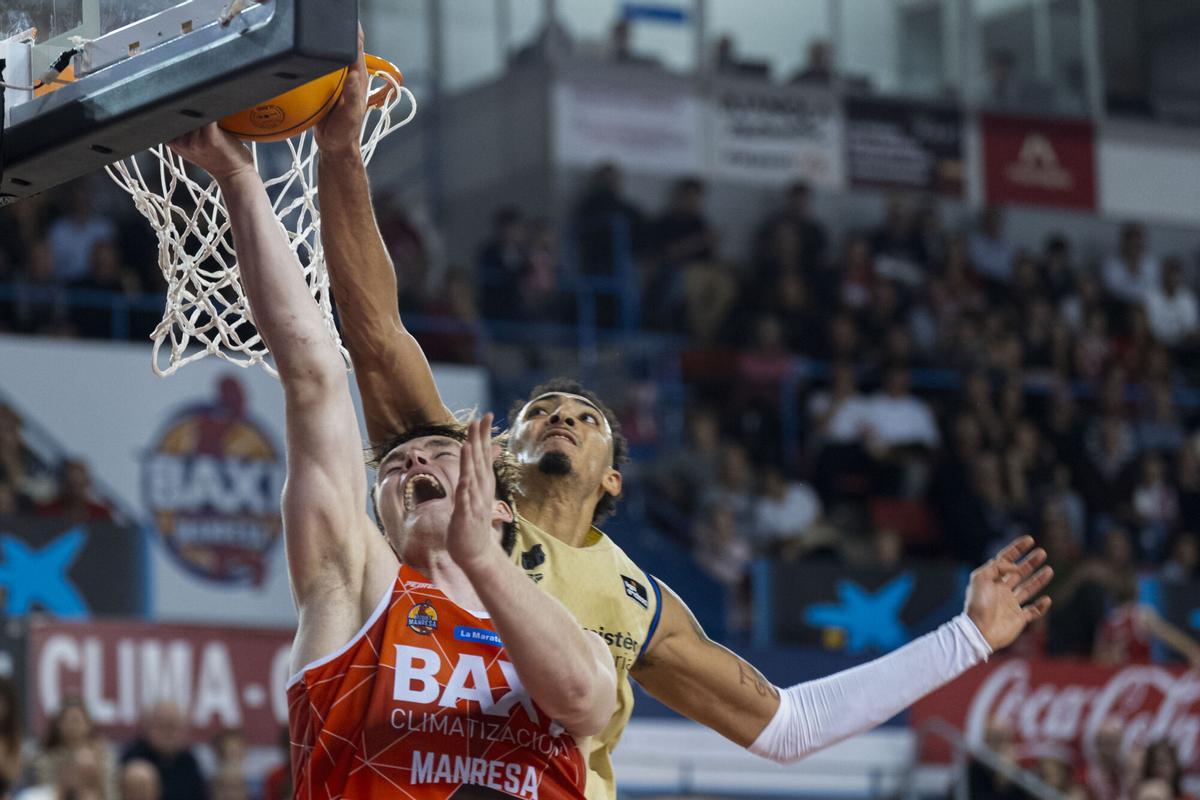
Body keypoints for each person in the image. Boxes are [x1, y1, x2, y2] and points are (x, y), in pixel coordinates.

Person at [313, 40, 1056, 800]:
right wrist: (340, 157)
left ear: (614, 480)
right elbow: (374, 330)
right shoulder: (447, 489)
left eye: (586, 415)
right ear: (505, 447)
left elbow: (792, 724)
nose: (563, 413)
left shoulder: (638, 600)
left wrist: (964, 637)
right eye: (541, 411)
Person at [168, 123, 616, 799]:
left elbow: (582, 700)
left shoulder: (574, 635)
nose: (412, 463)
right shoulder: (351, 587)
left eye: (440, 451)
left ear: (497, 504)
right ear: (379, 511)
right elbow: (314, 371)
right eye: (397, 465)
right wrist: (236, 178)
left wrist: (484, 560)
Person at [120, 702, 204, 800]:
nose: (168, 733)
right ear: (148, 726)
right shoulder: (133, 756)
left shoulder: (189, 762)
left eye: (173, 727)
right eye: (162, 726)